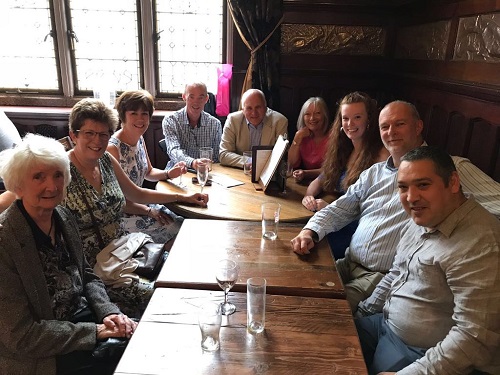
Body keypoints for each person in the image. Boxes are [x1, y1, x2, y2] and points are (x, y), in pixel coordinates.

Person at [290, 100, 500, 312]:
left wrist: (466, 239)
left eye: (399, 124)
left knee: (319, 312)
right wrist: (310, 231)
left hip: (381, 278)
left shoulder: (450, 168)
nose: (391, 132)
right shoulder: (374, 172)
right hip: (347, 262)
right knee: (294, 287)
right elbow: (340, 209)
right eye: (385, 126)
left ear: (418, 127)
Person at [355, 146, 500, 375]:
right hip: (382, 324)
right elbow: (396, 274)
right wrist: (360, 314)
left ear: (453, 183)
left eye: (423, 185)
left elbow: (474, 337)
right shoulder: (422, 217)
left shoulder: (480, 243)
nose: (411, 198)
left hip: (421, 355)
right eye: (403, 187)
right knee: (321, 340)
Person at [0, 133, 137, 375]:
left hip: (83, 321)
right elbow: (21, 336)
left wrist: (109, 312)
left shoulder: (62, 216)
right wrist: (95, 332)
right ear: (18, 184)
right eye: (38, 177)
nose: (51, 186)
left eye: (57, 175)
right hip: (44, 352)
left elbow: (86, 274)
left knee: (141, 339)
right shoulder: (5, 241)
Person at [64, 98, 208, 317]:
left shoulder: (105, 160)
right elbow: (18, 194)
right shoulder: (60, 169)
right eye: (89, 133)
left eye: (103, 134)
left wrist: (184, 197)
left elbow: (136, 193)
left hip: (128, 250)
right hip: (97, 269)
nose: (98, 140)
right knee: (167, 295)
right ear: (74, 135)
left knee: (184, 272)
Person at [107, 89, 184, 246]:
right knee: (175, 231)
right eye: (133, 113)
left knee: (183, 223)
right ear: (122, 115)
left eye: (145, 114)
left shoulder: (139, 139)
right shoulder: (112, 148)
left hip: (142, 205)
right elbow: (117, 201)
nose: (140, 119)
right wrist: (148, 211)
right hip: (123, 216)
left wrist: (169, 173)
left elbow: (148, 172)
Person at [301, 92, 389, 212]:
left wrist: (331, 208)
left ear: (369, 119)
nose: (350, 124)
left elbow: (377, 207)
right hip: (334, 217)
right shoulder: (344, 148)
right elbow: (320, 180)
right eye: (345, 118)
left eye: (357, 117)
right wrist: (308, 196)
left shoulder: (381, 155)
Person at [219, 88, 288, 168]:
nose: (254, 113)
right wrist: (250, 162)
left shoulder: (280, 121)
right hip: (239, 172)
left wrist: (259, 165)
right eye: (249, 108)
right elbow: (223, 155)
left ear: (265, 108)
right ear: (243, 110)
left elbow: (282, 156)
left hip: (267, 174)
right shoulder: (233, 120)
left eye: (258, 107)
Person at [162, 82, 222, 169]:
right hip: (177, 170)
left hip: (206, 171)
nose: (196, 102)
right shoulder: (171, 120)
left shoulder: (215, 124)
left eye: (200, 98)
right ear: (184, 97)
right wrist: (192, 163)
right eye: (191, 97)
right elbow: (173, 150)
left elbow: (216, 156)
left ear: (206, 99)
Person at [287, 97, 331, 182]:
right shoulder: (302, 136)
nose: (312, 118)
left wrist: (306, 173)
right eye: (307, 114)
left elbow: (331, 169)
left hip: (328, 183)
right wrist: (297, 137)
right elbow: (292, 163)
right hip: (305, 182)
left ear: (325, 115)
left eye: (317, 113)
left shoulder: (333, 136)